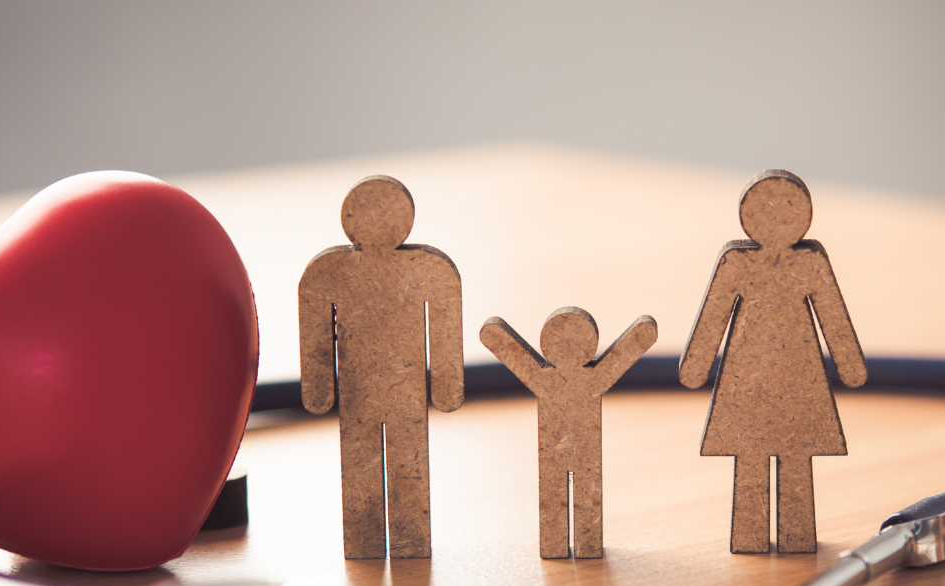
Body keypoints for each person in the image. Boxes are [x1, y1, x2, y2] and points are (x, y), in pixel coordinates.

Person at [678, 170, 867, 553]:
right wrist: (696, 367)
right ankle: (749, 536)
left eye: (787, 208)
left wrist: (850, 365)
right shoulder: (736, 263)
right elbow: (713, 315)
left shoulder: (810, 263)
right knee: (750, 455)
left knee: (796, 456)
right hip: (745, 378)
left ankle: (797, 537)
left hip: (800, 376)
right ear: (748, 214)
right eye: (767, 209)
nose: (777, 217)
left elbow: (833, 316)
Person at [299, 175, 464, 559]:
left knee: (406, 464)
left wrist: (445, 386)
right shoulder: (328, 272)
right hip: (361, 395)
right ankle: (370, 540)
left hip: (403, 395)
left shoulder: (428, 269)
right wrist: (319, 388)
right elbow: (316, 335)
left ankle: (405, 538)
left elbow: (443, 325)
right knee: (363, 466)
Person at [480, 307, 658, 558]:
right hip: (566, 452)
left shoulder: (563, 378)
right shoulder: (575, 378)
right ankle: (568, 545)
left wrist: (493, 334)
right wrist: (644, 332)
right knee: (565, 496)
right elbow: (627, 350)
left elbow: (508, 349)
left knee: (580, 496)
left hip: (577, 452)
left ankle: (573, 545)